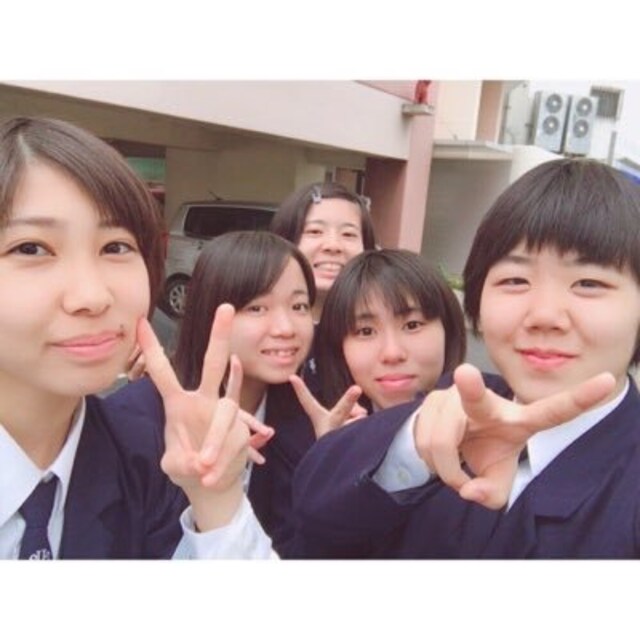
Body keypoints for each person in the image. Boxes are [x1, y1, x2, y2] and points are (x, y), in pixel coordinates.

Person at [290, 157, 636, 559]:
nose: (544, 315)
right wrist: (413, 449)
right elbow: (315, 514)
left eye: (589, 283)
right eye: (515, 280)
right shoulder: (455, 407)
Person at [0, 116, 272, 559]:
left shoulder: (149, 456)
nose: (92, 296)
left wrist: (216, 497)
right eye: (31, 248)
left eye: (116, 247)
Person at [108, 230, 317, 555]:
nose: (286, 328)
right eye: (257, 308)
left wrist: (330, 465)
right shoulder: (135, 420)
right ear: (208, 312)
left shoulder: (305, 418)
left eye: (299, 306)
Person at [289, 248, 466, 436]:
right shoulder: (319, 432)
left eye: (412, 325)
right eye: (366, 331)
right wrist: (333, 448)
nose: (392, 353)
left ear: (448, 330)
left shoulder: (481, 425)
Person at [269, 181, 378, 394]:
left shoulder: (383, 328)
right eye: (315, 231)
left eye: (348, 234)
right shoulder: (262, 326)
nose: (333, 246)